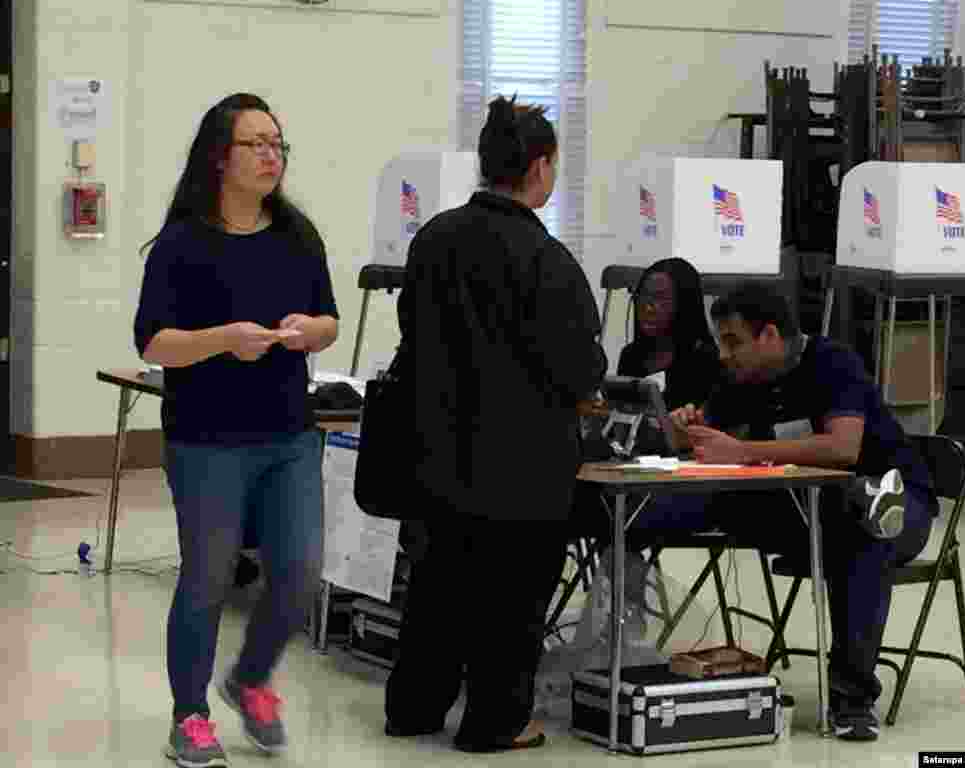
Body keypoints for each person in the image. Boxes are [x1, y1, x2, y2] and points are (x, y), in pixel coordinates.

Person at [383, 95, 607, 752]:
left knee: (435, 588)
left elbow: (412, 340)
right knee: (512, 604)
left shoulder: (432, 241)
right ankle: (495, 721)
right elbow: (579, 368)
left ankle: (414, 707)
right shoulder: (548, 261)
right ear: (539, 167)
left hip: (435, 454)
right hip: (522, 466)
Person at [632, 283, 936, 742]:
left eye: (734, 341)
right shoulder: (739, 379)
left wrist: (743, 451)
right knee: (656, 511)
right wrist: (683, 434)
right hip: (798, 504)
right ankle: (617, 658)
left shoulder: (834, 362)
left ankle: (852, 700)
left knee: (864, 535)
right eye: (721, 342)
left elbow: (843, 446)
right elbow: (714, 445)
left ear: (770, 335)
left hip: (898, 501)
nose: (725, 353)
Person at [134, 93, 340, 767]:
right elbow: (155, 345)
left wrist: (313, 333)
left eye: (278, 143)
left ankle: (250, 679)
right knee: (208, 576)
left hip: (287, 435)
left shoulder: (297, 235)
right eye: (257, 143)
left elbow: (328, 321)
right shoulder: (183, 242)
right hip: (205, 439)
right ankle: (189, 715)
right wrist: (225, 339)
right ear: (221, 156)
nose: (271, 155)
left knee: (300, 571)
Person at [617, 258, 721, 412]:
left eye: (660, 298)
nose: (648, 308)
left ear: (684, 305)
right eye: (644, 296)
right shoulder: (631, 356)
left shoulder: (706, 360)